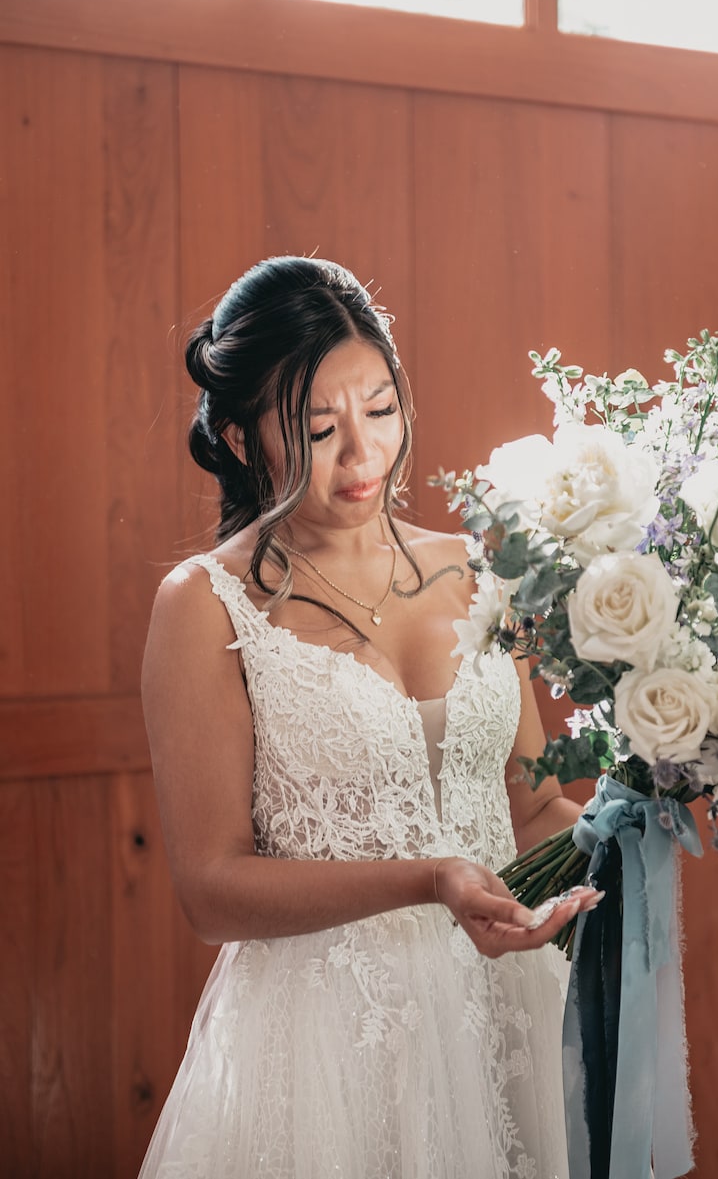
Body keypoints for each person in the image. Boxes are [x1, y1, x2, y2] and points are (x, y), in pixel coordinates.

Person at [138, 255, 600, 1179]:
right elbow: (210, 886)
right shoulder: (206, 605)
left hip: (505, 1007)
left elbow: (529, 799)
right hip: (325, 1044)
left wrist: (660, 793)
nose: (362, 455)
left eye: (380, 411)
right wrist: (427, 878)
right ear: (240, 435)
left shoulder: (482, 568)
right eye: (318, 427)